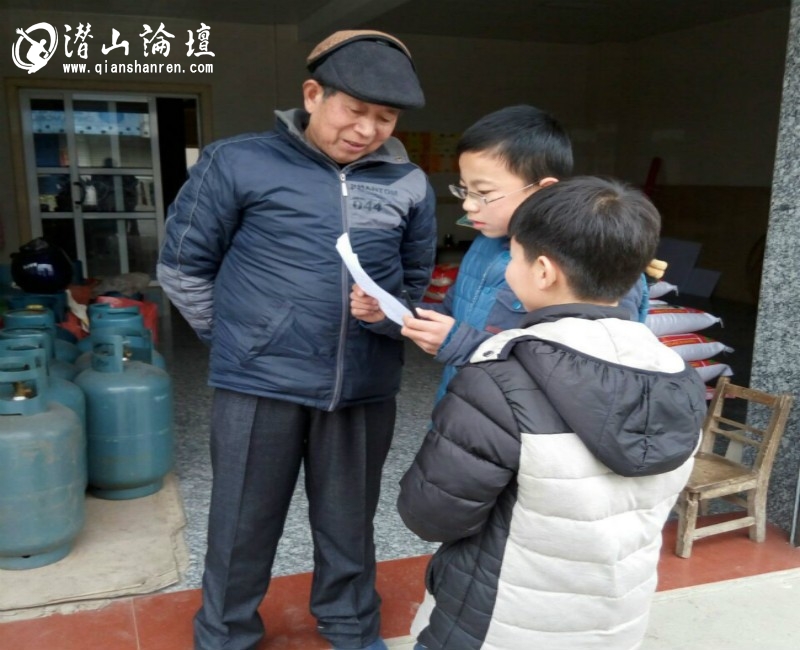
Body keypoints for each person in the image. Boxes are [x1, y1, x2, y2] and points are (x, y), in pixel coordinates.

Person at [157, 30, 437, 650]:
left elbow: (413, 280)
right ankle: (225, 633)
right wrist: (238, 339)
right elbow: (182, 266)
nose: (367, 129)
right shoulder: (237, 162)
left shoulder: (408, 182)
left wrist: (386, 317)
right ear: (313, 95)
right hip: (258, 383)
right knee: (242, 522)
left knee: (349, 521)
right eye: (354, 110)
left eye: (385, 117)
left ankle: (351, 625)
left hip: (363, 383)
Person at [397, 177, 707, 650]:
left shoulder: (499, 379)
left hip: (498, 625)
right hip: (615, 625)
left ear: (542, 271)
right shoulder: (680, 378)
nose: (509, 269)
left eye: (514, 256)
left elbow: (431, 516)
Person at [351, 105, 572, 402]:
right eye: (464, 190)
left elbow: (568, 369)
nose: (468, 205)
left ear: (542, 191)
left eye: (484, 192)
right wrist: (389, 313)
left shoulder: (575, 263)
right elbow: (450, 314)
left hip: (513, 423)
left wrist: (460, 343)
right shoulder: (483, 246)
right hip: (458, 408)